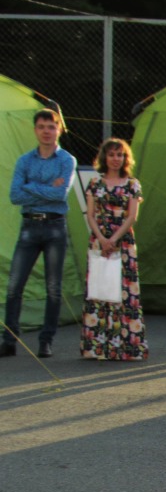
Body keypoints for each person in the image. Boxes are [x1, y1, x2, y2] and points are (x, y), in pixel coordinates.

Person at [2, 108, 76, 359]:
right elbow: (15, 196)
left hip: (55, 227)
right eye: (42, 127)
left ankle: (46, 340)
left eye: (51, 127)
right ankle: (9, 340)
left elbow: (60, 195)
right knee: (14, 286)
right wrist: (45, 188)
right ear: (35, 130)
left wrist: (30, 187)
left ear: (59, 130)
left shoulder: (66, 160)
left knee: (53, 288)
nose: (46, 131)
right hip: (29, 227)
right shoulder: (24, 161)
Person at [80, 138, 148, 361]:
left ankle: (126, 347)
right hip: (99, 241)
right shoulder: (94, 183)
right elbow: (90, 215)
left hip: (123, 242)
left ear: (125, 158)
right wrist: (102, 239)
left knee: (123, 292)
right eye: (111, 154)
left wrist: (114, 239)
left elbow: (132, 216)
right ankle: (97, 347)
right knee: (99, 291)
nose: (116, 159)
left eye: (120, 155)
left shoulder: (132, 184)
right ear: (104, 157)